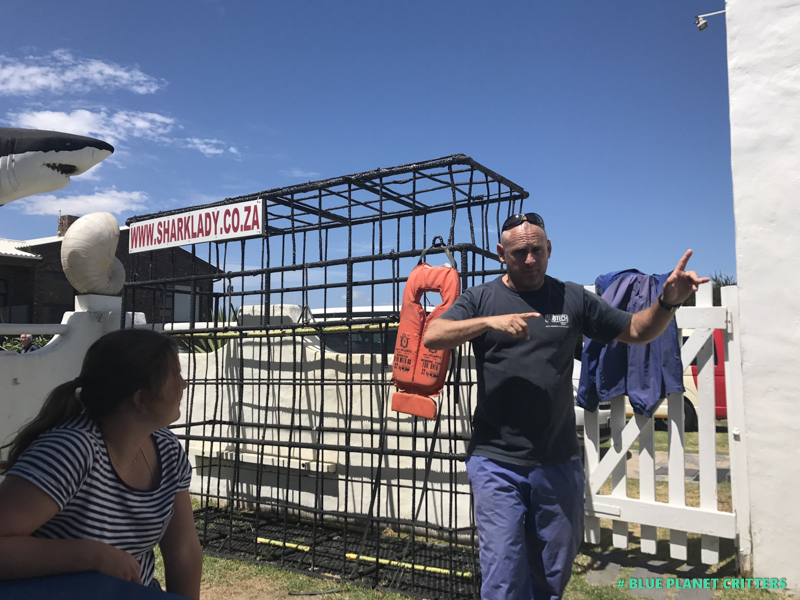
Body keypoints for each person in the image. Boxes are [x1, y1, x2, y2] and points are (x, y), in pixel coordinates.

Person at [424, 213, 708, 600]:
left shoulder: (571, 297)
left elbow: (639, 331)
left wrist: (666, 301)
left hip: (558, 462)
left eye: (536, 251)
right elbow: (434, 335)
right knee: (502, 576)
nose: (529, 260)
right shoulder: (481, 298)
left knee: (551, 574)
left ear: (549, 249)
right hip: (496, 461)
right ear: (500, 254)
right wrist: (489, 322)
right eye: (519, 252)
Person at [0, 329, 203, 598]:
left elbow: (184, 549)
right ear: (141, 399)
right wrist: (90, 555)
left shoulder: (168, 451)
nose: (184, 384)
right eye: (175, 375)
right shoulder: (71, 450)